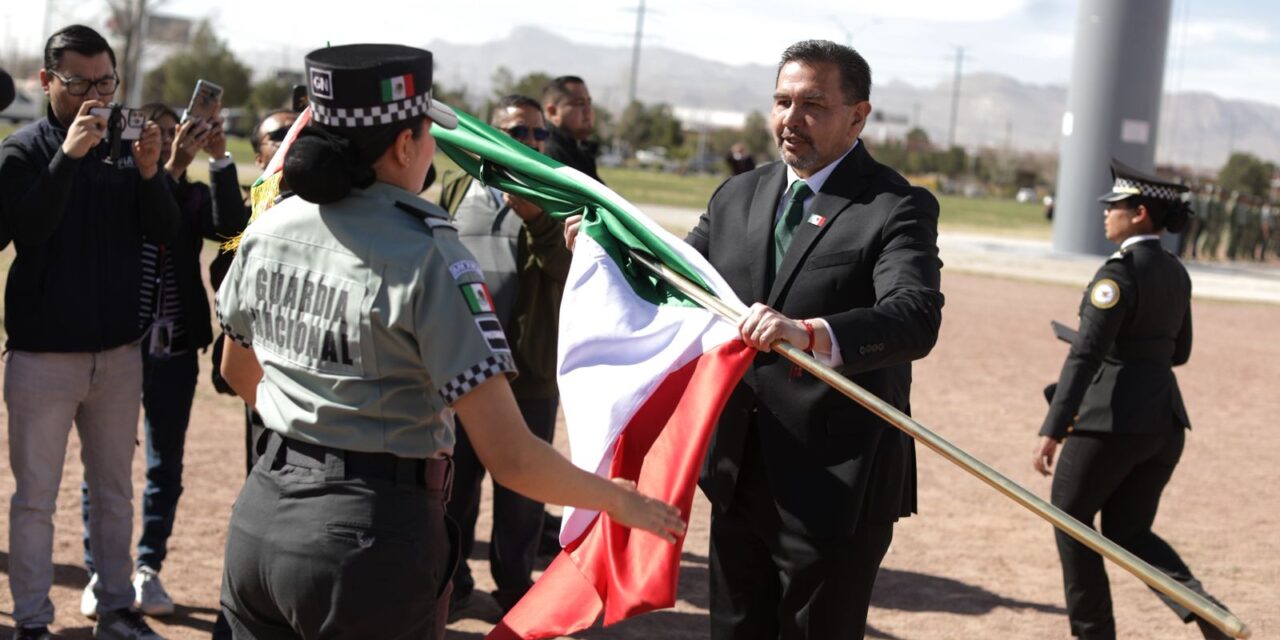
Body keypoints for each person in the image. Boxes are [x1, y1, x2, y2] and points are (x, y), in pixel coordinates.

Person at [213, 43, 684, 639]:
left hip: (262, 514)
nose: (434, 147)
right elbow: (511, 458)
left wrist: (313, 425)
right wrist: (618, 500)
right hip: (368, 539)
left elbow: (236, 371)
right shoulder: (429, 254)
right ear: (404, 145)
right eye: (428, 135)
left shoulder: (272, 226)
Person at [685, 39, 944, 638]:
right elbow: (679, 278)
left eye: (813, 105)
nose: (791, 119)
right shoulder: (736, 195)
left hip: (837, 482)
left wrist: (807, 334)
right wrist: (606, 250)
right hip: (737, 469)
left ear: (858, 116)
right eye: (782, 102)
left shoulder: (895, 205)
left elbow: (913, 316)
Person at [0, 24, 178, 640]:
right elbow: (26, 232)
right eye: (81, 84)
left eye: (107, 82)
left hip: (118, 353)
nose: (97, 97)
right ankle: (31, 620)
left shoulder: (125, 148)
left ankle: (117, 608)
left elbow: (165, 232)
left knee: (114, 493)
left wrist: (151, 172)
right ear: (47, 81)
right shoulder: (22, 151)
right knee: (35, 498)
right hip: (43, 357)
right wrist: (67, 157)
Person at [1033, 160, 1232, 640]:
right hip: (1164, 421)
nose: (1106, 214)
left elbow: (1085, 356)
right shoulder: (1175, 271)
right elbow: (1178, 352)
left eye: (1115, 207)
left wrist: (1053, 427)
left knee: (1070, 520)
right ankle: (1211, 615)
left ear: (1139, 213)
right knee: (1129, 532)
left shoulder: (1117, 275)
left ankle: (1094, 634)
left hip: (1112, 422)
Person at [78, 100, 247, 619]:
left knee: (164, 465)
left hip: (174, 351)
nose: (174, 140)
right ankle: (99, 571)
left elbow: (233, 233)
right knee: (104, 464)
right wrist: (167, 170)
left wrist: (219, 159)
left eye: (181, 131)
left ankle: (148, 567)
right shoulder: (120, 189)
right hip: (119, 347)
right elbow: (147, 221)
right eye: (163, 132)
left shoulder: (194, 196)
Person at [439, 94, 573, 616]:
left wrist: (538, 219)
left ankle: (515, 590)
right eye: (519, 132)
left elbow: (568, 269)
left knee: (523, 495)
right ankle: (453, 586)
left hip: (527, 374)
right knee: (455, 489)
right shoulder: (454, 187)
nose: (532, 142)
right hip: (462, 369)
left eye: (539, 133)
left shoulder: (557, 193)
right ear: (490, 135)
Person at [541, 75, 602, 183]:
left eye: (589, 103)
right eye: (580, 103)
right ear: (553, 112)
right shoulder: (547, 153)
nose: (588, 111)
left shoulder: (576, 151)